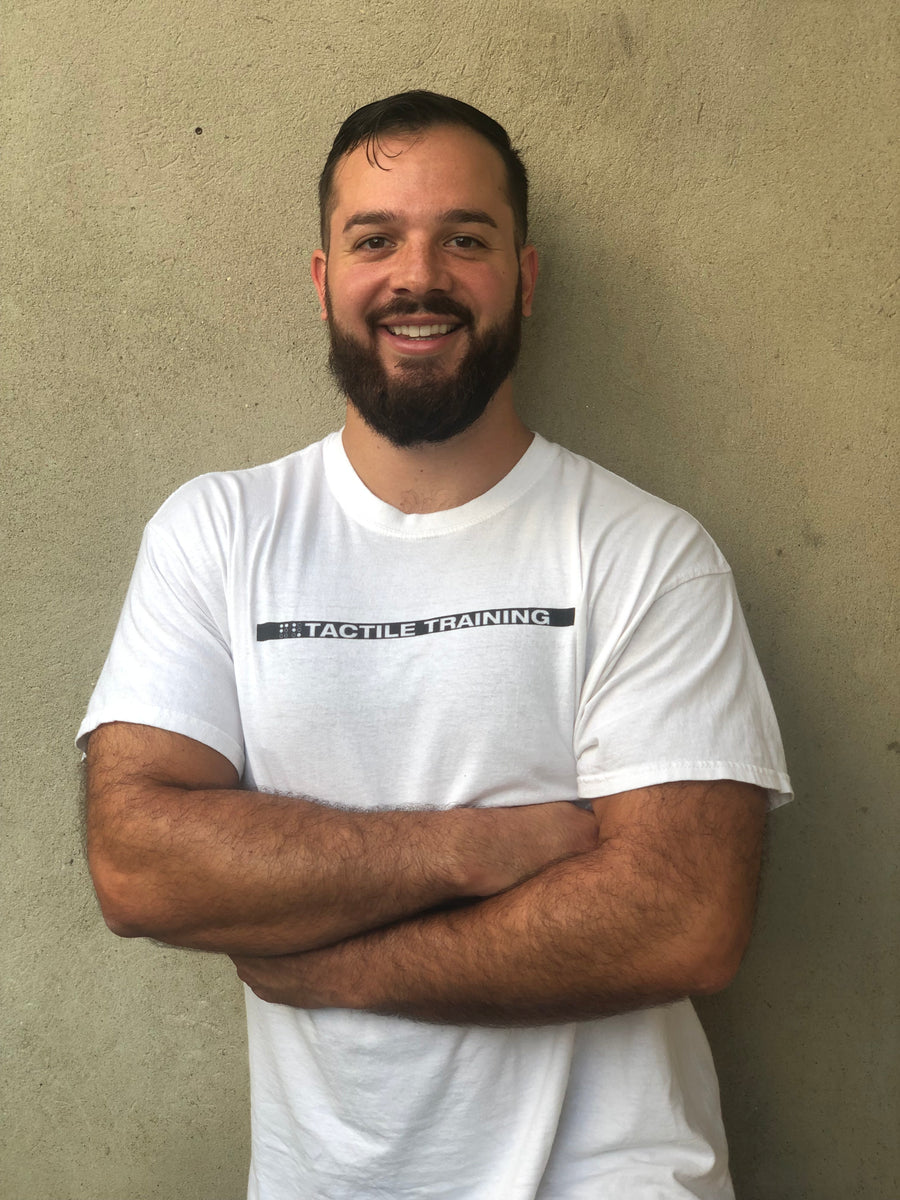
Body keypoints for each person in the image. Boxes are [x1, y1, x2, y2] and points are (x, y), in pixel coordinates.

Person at [79, 91, 792, 1200]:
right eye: (377, 240)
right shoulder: (218, 533)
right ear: (324, 279)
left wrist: (331, 963)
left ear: (524, 275)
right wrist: (471, 849)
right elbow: (136, 859)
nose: (420, 277)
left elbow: (682, 918)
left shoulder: (644, 553)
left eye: (465, 238)